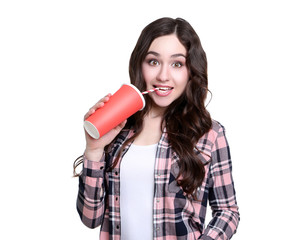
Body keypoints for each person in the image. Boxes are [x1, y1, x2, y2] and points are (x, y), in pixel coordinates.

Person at [74, 17, 239, 240]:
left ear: (191, 71)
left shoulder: (209, 134)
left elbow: (228, 211)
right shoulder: (117, 129)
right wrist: (93, 149)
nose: (163, 76)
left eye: (177, 64)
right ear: (139, 65)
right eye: (153, 62)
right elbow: (90, 218)